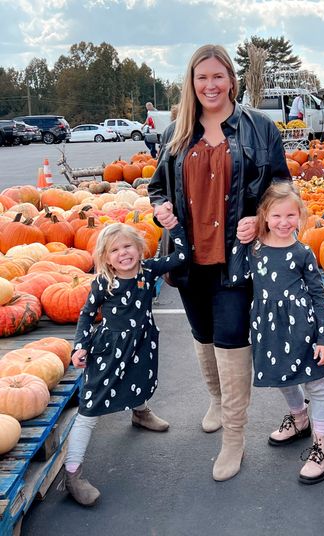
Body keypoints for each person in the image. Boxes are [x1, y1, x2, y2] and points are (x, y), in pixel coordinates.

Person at [148, 44, 291, 482]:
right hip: (189, 256)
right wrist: (161, 209)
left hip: (237, 259)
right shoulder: (178, 131)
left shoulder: (259, 128)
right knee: (203, 333)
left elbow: (281, 184)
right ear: (191, 83)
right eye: (201, 77)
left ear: (232, 79)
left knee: (231, 339)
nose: (210, 85)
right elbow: (156, 187)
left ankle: (234, 436)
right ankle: (215, 397)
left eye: (217, 76)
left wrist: (259, 217)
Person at [60, 220, 187, 505]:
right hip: (109, 350)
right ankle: (73, 474)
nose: (123, 253)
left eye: (128, 246)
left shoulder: (148, 271)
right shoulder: (104, 283)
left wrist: (173, 227)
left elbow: (182, 255)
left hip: (141, 344)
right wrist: (79, 346)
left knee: (139, 379)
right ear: (105, 258)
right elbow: (85, 315)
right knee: (90, 408)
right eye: (115, 250)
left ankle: (140, 413)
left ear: (140, 248)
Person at [229, 181, 324, 485]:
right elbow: (236, 274)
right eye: (276, 216)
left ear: (300, 216)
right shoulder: (256, 248)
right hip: (268, 327)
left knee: (316, 385)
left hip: (302, 327)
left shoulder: (303, 252)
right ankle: (299, 418)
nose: (283, 223)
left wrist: (323, 339)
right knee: (281, 377)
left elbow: (319, 296)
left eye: (291, 216)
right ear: (263, 216)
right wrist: (240, 238)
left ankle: (323, 447)